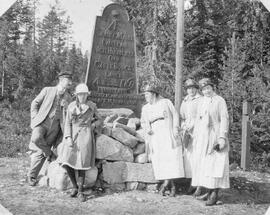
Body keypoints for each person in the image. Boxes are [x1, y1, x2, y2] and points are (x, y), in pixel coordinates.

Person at [57, 83, 101, 202]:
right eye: (80, 94)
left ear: (87, 95)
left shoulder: (92, 106)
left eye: (84, 94)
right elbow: (67, 123)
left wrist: (93, 125)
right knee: (66, 160)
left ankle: (81, 191)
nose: (82, 96)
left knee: (82, 164)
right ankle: (75, 187)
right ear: (76, 95)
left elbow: (99, 120)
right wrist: (68, 137)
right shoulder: (71, 106)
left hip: (85, 136)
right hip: (73, 135)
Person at [28, 71, 72, 186]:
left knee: (41, 150)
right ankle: (50, 155)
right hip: (42, 123)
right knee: (36, 138)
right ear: (61, 80)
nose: (70, 83)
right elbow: (35, 103)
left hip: (56, 128)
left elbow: (69, 114)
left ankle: (32, 176)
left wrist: (66, 106)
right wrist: (34, 118)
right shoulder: (48, 90)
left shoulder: (68, 97)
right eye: (68, 81)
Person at [141, 82, 185, 197]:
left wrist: (175, 129)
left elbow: (175, 115)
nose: (146, 96)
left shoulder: (166, 102)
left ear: (154, 94)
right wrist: (148, 129)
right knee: (160, 160)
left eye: (147, 94)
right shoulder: (145, 108)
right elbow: (144, 122)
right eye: (145, 94)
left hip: (167, 132)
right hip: (155, 135)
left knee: (170, 158)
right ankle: (172, 186)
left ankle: (166, 185)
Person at [191, 78, 230, 206]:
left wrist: (222, 137)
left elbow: (224, 118)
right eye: (203, 89)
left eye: (208, 88)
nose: (206, 91)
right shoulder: (201, 101)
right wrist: (195, 135)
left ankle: (214, 194)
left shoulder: (219, 100)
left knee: (215, 165)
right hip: (203, 136)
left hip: (215, 134)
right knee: (205, 165)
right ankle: (208, 191)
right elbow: (198, 119)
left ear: (212, 87)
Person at [180, 79, 202, 195]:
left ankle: (199, 184)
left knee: (198, 157)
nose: (191, 90)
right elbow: (183, 116)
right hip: (187, 131)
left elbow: (202, 116)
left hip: (198, 130)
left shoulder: (201, 99)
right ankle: (192, 182)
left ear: (196, 88)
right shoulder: (185, 100)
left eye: (193, 88)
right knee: (189, 157)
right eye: (189, 88)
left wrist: (193, 126)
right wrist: (184, 126)